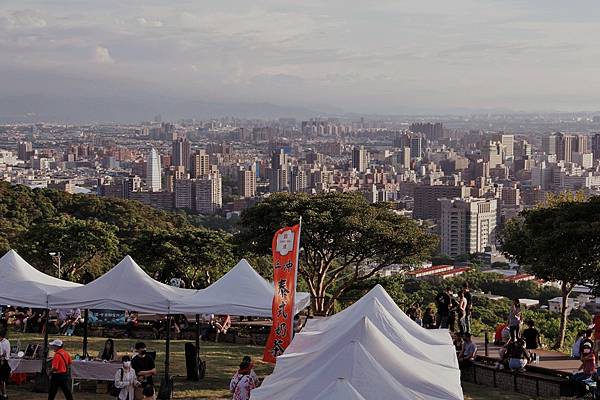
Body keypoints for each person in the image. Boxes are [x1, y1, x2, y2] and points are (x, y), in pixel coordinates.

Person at [0, 331, 10, 400]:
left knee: (1, 379)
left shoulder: (6, 342)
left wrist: (2, 357)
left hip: (3, 362)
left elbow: (5, 354)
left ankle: (4, 394)